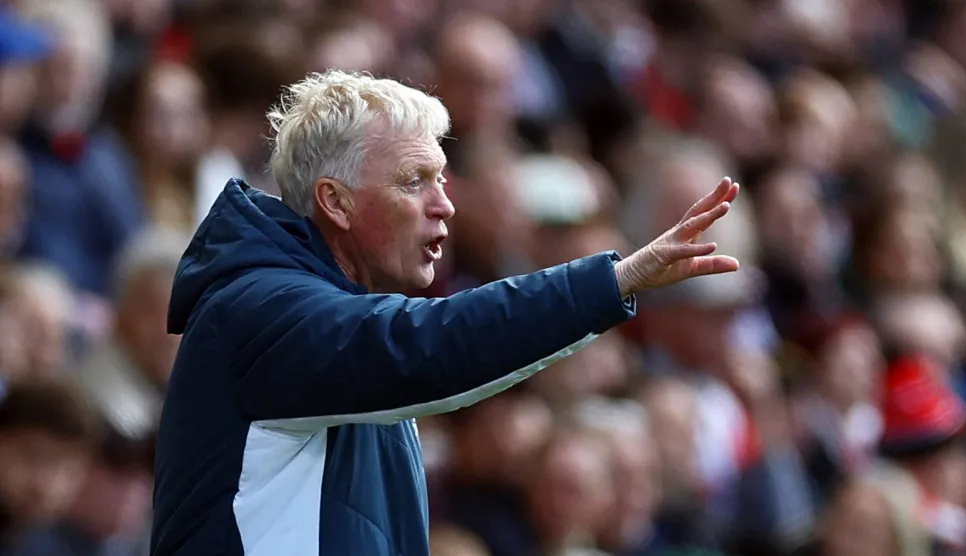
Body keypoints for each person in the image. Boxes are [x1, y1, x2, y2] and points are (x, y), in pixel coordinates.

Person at [151, 69, 741, 556]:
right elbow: (428, 347)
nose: (444, 207)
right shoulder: (259, 310)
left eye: (442, 179)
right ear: (335, 201)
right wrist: (612, 281)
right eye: (415, 182)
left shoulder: (331, 311)